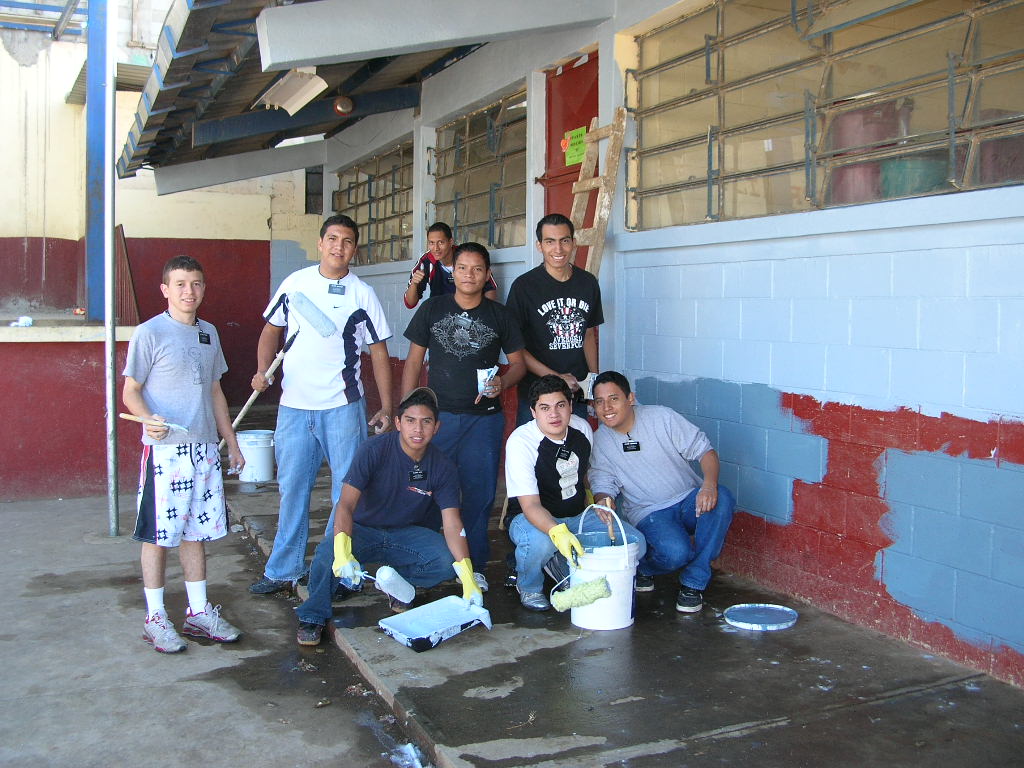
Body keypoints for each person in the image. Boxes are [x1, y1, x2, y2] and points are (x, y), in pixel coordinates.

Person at [249, 214, 394, 595]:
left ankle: (338, 569)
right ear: (320, 243)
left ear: (354, 249)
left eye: (346, 241)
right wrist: (263, 370)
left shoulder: (362, 293)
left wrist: (387, 406)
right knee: (292, 489)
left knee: (346, 495)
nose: (338, 247)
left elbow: (379, 351)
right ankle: (283, 570)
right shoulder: (295, 284)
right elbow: (270, 330)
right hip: (293, 408)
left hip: (343, 407)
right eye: (332, 239)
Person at [294, 387, 483, 646]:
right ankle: (313, 616)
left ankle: (398, 585)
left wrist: (468, 578)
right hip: (364, 529)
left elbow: (452, 523)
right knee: (326, 555)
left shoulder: (443, 466)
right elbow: (345, 504)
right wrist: (342, 550)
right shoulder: (373, 449)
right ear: (398, 423)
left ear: (437, 427)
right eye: (410, 421)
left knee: (444, 560)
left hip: (407, 534)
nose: (418, 430)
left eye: (426, 422)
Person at [123, 255, 244, 653]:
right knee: (159, 535)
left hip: (204, 449)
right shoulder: (149, 333)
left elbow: (215, 391)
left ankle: (198, 611)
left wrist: (231, 441)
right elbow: (130, 391)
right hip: (166, 453)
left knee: (196, 532)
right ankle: (155, 617)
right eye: (180, 284)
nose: (188, 291)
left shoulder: (209, 333)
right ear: (165, 289)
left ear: (203, 288)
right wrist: (148, 419)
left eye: (195, 283)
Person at [401, 243, 526, 589]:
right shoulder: (432, 308)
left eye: (477, 269)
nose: (469, 275)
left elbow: (518, 364)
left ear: (487, 276)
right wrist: (408, 411)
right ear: (452, 272)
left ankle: (475, 565)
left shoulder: (500, 315)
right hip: (436, 420)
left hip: (483, 421)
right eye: (462, 268)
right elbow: (413, 361)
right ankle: (422, 563)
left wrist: (503, 382)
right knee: (423, 491)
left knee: (478, 495)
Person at [588, 371, 735, 613]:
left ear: (630, 398)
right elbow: (602, 481)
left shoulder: (661, 417)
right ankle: (644, 568)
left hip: (687, 500)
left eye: (614, 399)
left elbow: (705, 451)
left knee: (722, 497)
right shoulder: (600, 441)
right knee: (676, 553)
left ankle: (694, 581)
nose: (607, 408)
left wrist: (709, 485)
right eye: (599, 402)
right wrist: (604, 500)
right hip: (648, 512)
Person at [505, 375, 645, 611]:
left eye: (560, 405)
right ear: (533, 412)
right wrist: (557, 532)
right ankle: (529, 586)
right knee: (540, 543)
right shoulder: (521, 442)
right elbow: (529, 506)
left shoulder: (582, 429)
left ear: (570, 406)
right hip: (531, 518)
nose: (554, 414)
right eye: (545, 408)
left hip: (578, 515)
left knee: (636, 543)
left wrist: (601, 499)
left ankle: (561, 562)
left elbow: (586, 475)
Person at [505, 213, 603, 425]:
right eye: (550, 241)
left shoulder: (588, 283)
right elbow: (515, 346)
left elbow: (588, 335)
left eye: (564, 241)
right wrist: (556, 377)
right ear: (539, 246)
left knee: (576, 445)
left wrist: (593, 383)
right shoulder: (524, 287)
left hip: (575, 393)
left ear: (573, 243)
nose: (558, 249)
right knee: (535, 447)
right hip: (537, 395)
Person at [403, 222, 498, 308]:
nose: (436, 248)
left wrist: (483, 313)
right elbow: (410, 303)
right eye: (431, 243)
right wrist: (414, 284)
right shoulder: (425, 262)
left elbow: (490, 289)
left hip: (470, 311)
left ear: (451, 242)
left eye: (441, 242)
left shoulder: (464, 256)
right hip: (439, 312)